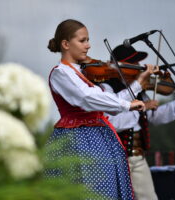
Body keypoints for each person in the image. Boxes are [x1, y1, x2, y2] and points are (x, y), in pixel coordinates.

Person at [45, 19, 158, 200]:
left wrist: (137, 85)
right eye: (82, 41)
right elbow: (87, 98)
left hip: (99, 138)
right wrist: (127, 105)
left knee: (106, 192)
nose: (88, 46)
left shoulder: (82, 73)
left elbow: (109, 103)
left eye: (88, 40)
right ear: (65, 44)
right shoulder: (61, 73)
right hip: (78, 139)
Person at [101, 44, 175, 200]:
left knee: (149, 197)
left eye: (138, 63)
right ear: (119, 66)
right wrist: (140, 108)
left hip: (138, 156)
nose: (138, 67)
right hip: (116, 159)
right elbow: (111, 121)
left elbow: (153, 117)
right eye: (133, 64)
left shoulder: (138, 89)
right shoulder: (106, 87)